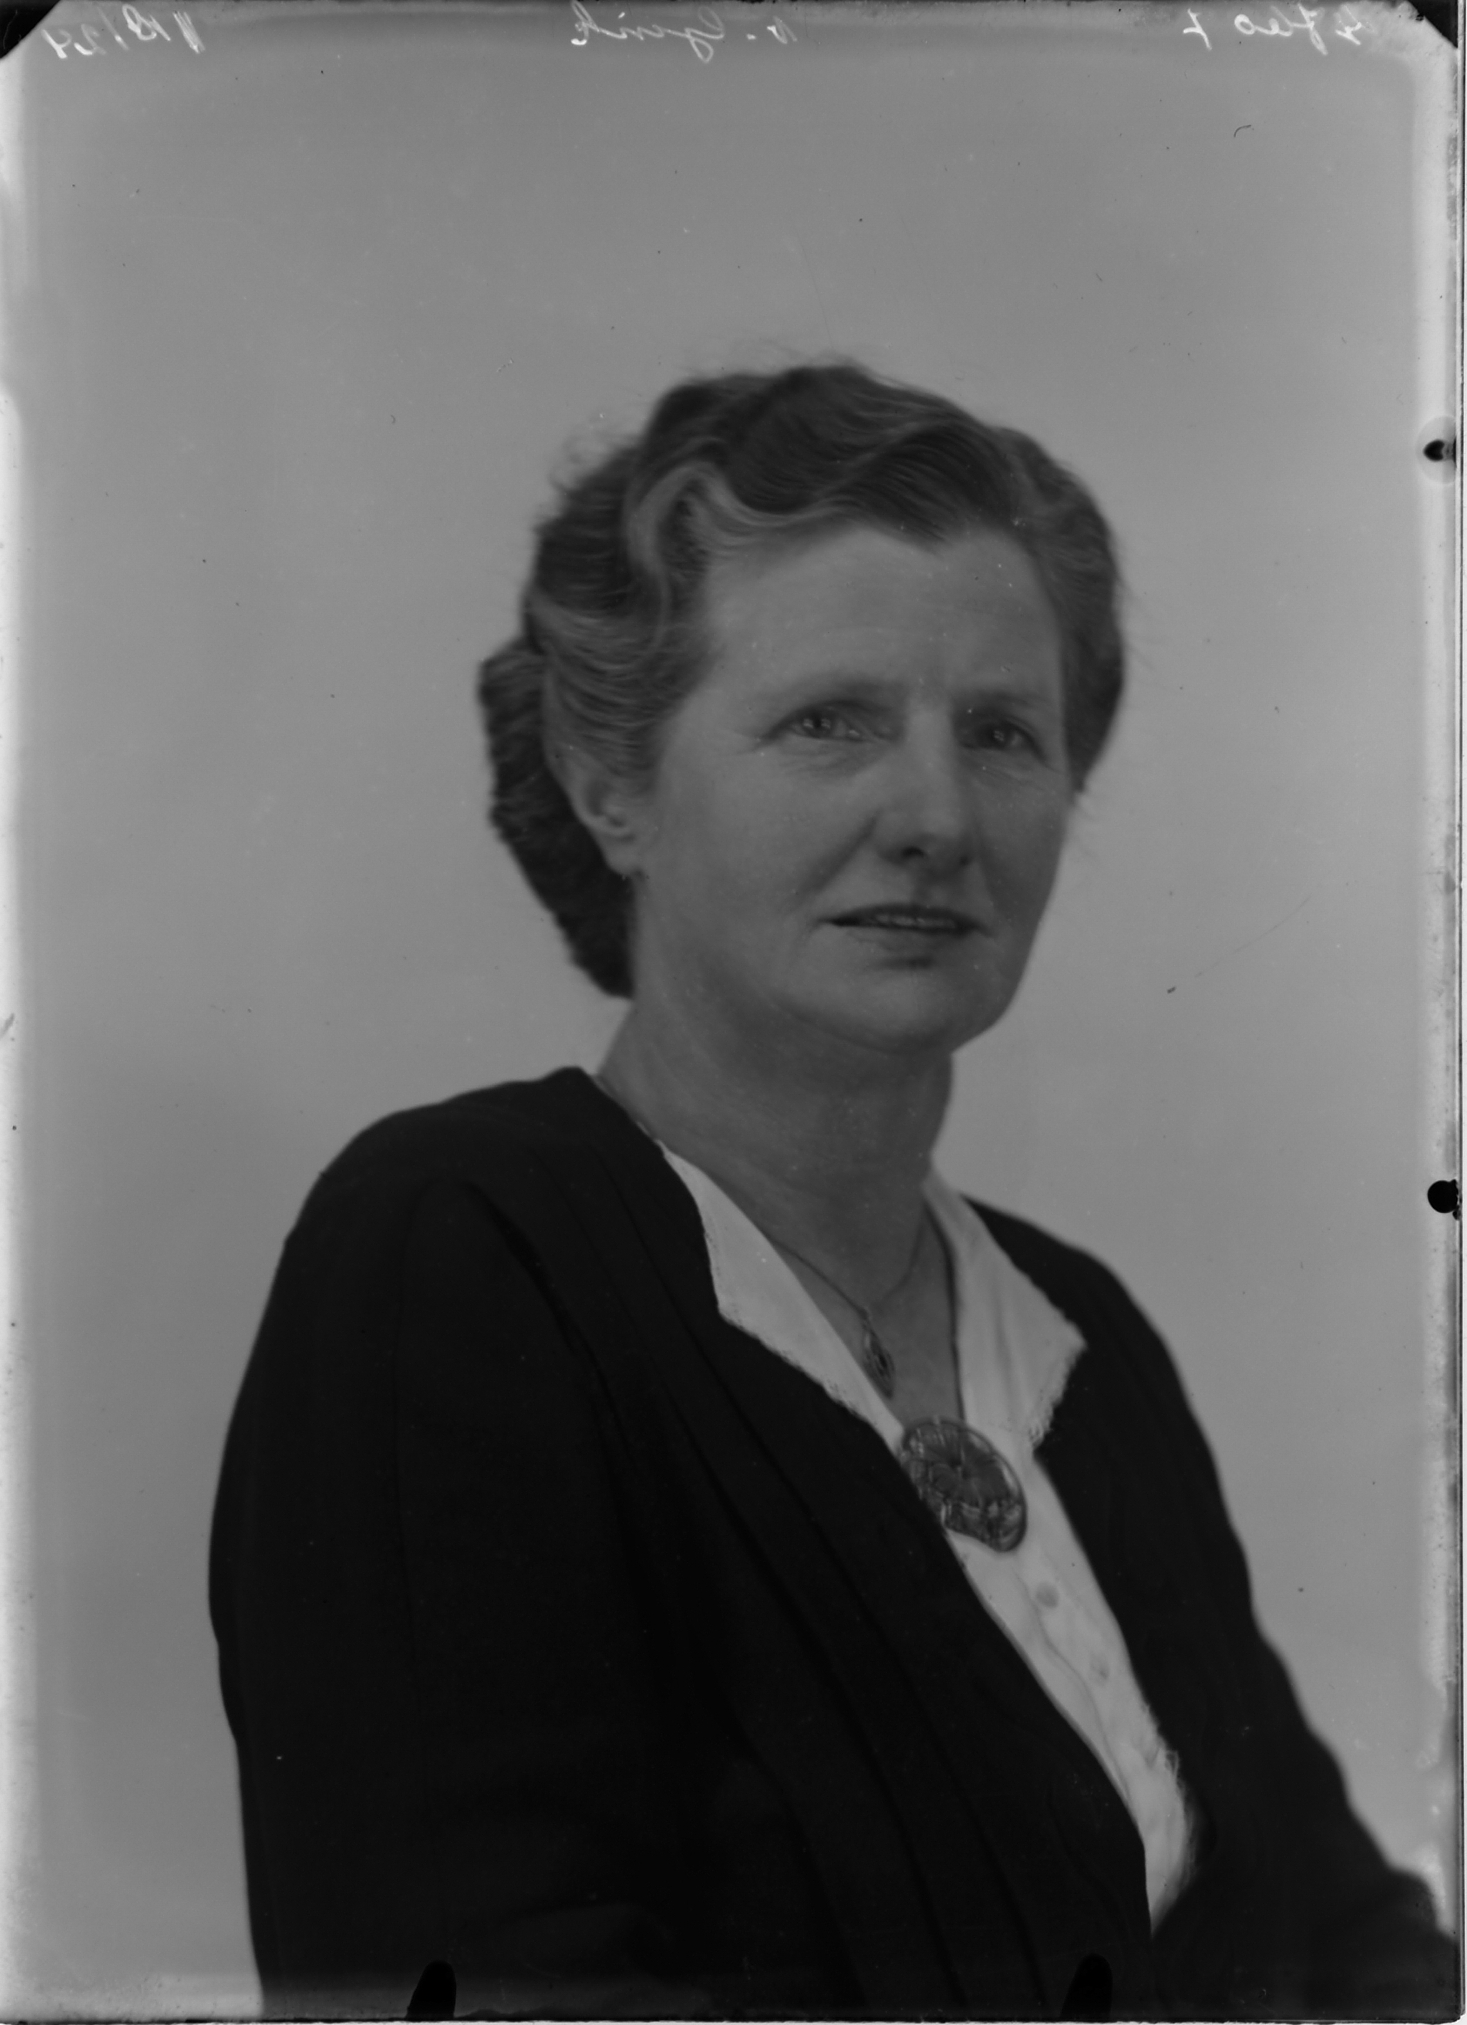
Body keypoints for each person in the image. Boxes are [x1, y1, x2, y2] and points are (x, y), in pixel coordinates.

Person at [209, 362, 1457, 2021]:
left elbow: (1349, 1928)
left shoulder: (1078, 1339)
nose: (937, 815)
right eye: (830, 721)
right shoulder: (465, 1257)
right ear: (611, 784)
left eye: (1001, 732)